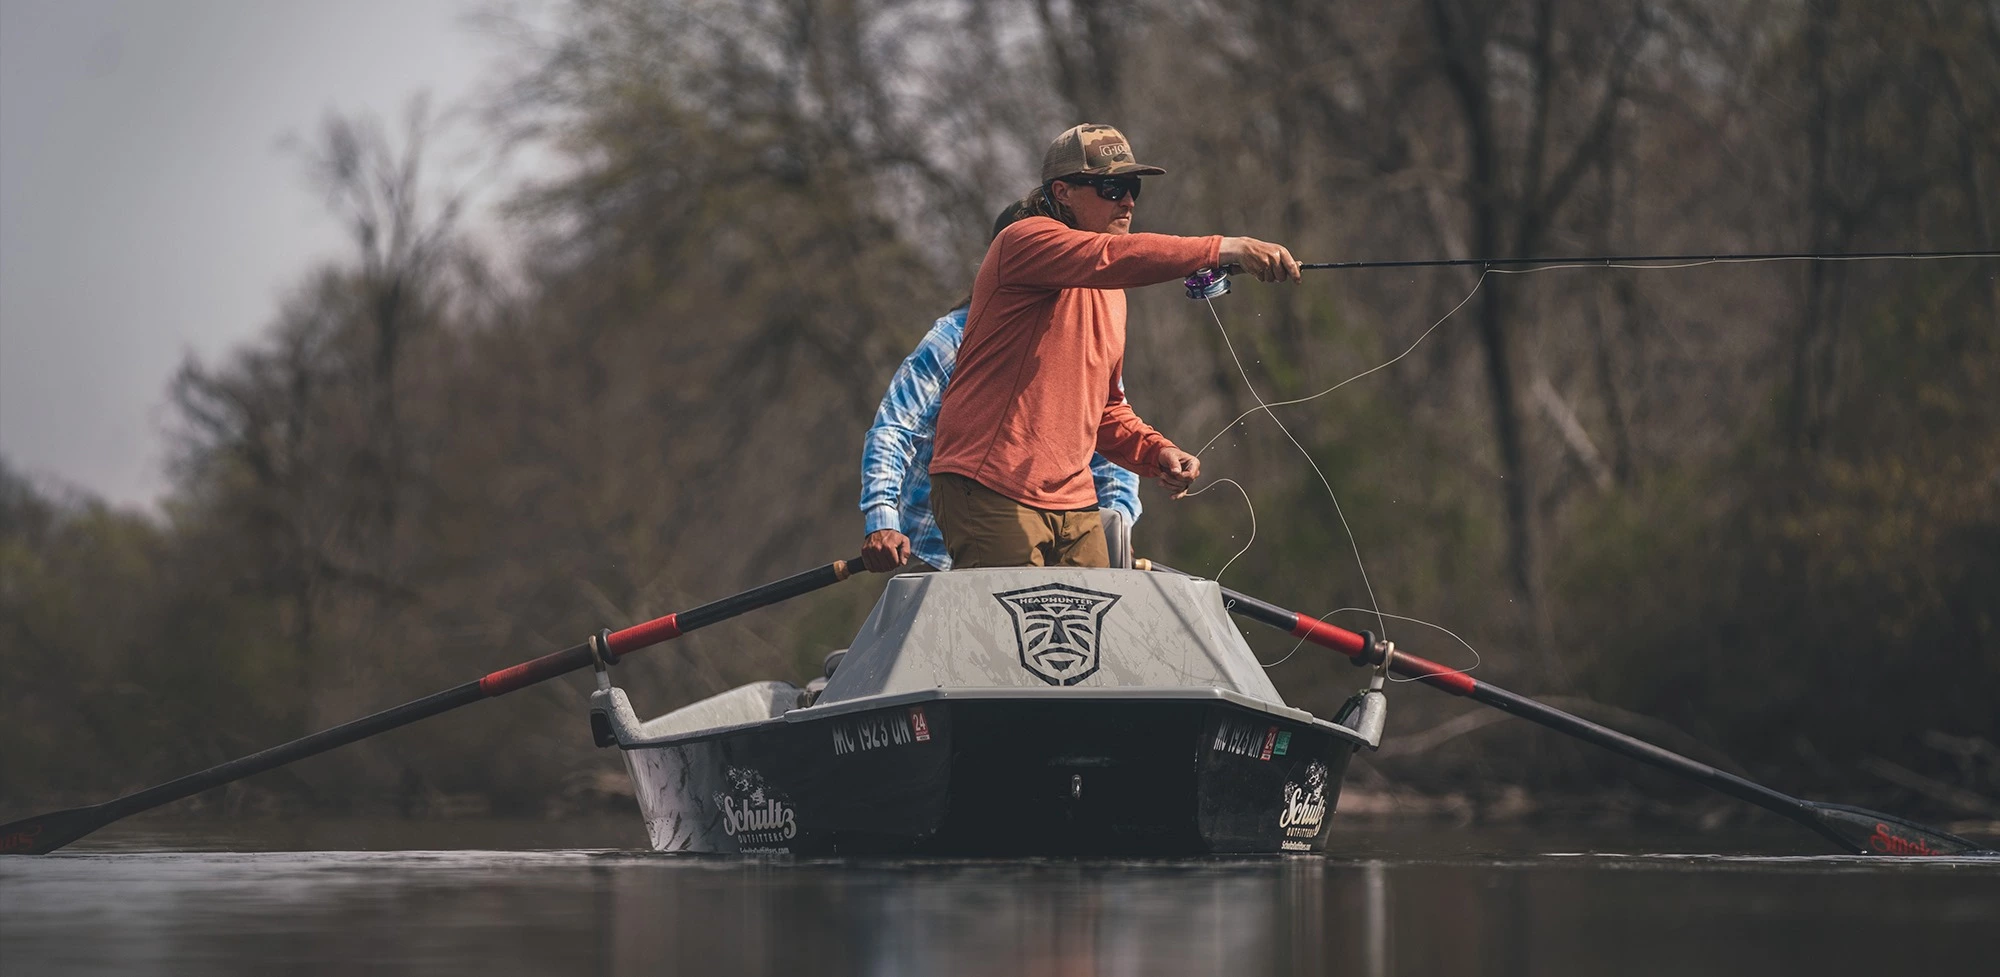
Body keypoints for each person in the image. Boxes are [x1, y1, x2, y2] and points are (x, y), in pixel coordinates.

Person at [927, 123, 1300, 568]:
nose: (1127, 201)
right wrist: (1226, 248)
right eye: (1111, 187)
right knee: (1017, 637)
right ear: (1062, 192)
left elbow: (1105, 408)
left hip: (1073, 498)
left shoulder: (1110, 293)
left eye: (1132, 187)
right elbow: (1111, 257)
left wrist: (1154, 450)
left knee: (1095, 634)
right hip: (990, 486)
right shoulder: (1021, 241)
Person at [860, 201, 1143, 573]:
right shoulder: (950, 341)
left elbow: (1107, 445)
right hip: (936, 557)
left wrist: (1117, 523)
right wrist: (882, 519)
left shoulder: (1084, 339)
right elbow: (893, 430)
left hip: (1051, 541)